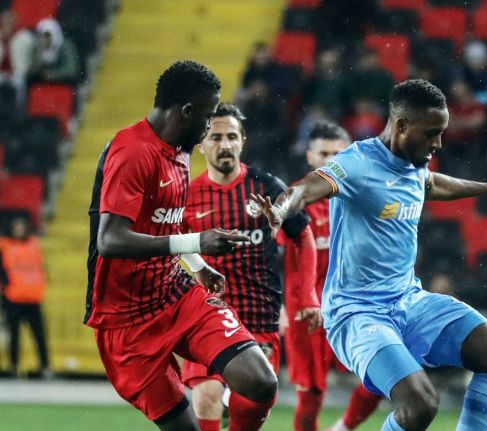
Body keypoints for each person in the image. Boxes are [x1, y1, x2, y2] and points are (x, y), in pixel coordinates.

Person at [253, 79, 487, 431]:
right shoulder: (357, 163)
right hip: (356, 312)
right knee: (420, 403)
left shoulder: (414, 162)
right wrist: (281, 209)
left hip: (408, 302)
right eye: (432, 134)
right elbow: (307, 188)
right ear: (401, 126)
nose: (438, 143)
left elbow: (433, 183)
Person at [85, 61, 277, 431]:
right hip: (125, 322)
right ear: (187, 111)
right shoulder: (131, 151)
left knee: (260, 381)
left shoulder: (181, 152)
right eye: (206, 118)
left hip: (175, 294)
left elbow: (167, 221)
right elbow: (110, 240)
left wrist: (198, 265)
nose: (208, 129)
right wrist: (198, 241)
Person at [179, 103, 321, 431]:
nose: (224, 144)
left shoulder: (266, 187)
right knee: (206, 395)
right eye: (215, 137)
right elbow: (174, 248)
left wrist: (308, 296)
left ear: (243, 140)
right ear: (201, 145)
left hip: (259, 315)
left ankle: (233, 405)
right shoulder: (188, 195)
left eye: (232, 136)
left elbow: (302, 236)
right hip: (208, 315)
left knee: (250, 407)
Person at [281, 121, 383, 431]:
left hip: (352, 305)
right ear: (310, 157)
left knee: (382, 373)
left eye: (337, 154)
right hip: (307, 309)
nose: (330, 161)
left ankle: (342, 429)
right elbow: (273, 255)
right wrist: (279, 304)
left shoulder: (363, 196)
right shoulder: (294, 198)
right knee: (310, 396)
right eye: (323, 154)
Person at [0, 215, 50, 377]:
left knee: (39, 335)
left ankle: (45, 367)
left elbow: (41, 267)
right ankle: (14, 367)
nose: (19, 230)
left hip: (33, 298)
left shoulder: (34, 244)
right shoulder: (5, 245)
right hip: (13, 298)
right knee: (14, 335)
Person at [27, 18, 79, 84]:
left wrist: (55, 75)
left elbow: (71, 70)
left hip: (64, 84)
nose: (44, 39)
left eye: (47, 36)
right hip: (43, 84)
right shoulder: (38, 48)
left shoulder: (65, 47)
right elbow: (31, 71)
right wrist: (39, 60)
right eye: (41, 36)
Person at [0, 7, 34, 104]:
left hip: (17, 71)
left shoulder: (24, 36)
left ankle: (19, 107)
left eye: (9, 21)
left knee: (19, 82)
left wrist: (24, 68)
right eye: (4, 21)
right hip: (1, 72)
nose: (6, 24)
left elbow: (29, 56)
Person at [459, 40, 487, 106]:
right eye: (473, 59)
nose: (476, 62)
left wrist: (475, 98)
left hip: (484, 108)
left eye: (479, 59)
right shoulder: (462, 73)